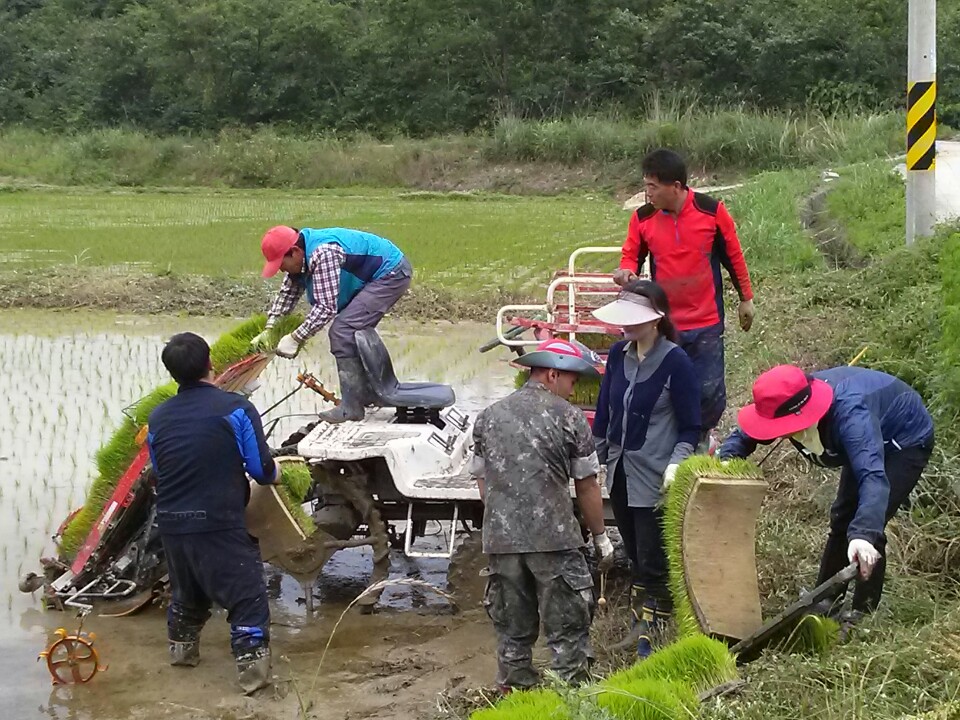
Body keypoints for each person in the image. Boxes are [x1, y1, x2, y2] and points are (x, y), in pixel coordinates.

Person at [717, 364, 934, 628]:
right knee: (842, 517)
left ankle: (862, 615)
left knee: (868, 525)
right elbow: (750, 431)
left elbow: (873, 476)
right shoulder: (785, 399)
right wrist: (727, 458)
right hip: (868, 437)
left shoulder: (852, 417)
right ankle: (825, 599)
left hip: (903, 438)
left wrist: (864, 534)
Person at [468, 338, 615, 691]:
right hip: (556, 541)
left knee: (513, 638)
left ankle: (516, 700)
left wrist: (503, 522)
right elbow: (587, 486)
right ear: (552, 374)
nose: (572, 388)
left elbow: (483, 481)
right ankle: (570, 705)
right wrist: (600, 537)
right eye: (572, 380)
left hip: (501, 544)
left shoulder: (488, 417)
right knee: (567, 637)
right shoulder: (569, 417)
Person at [147, 332, 281, 694]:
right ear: (210, 364)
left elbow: (160, 471)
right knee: (247, 596)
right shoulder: (235, 407)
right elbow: (260, 469)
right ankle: (254, 679)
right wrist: (281, 473)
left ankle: (182, 656)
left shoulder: (157, 418)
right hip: (218, 520)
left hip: (172, 523)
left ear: (173, 374)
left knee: (187, 593)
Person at [612, 149, 754, 444]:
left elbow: (733, 256)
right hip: (666, 322)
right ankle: (669, 442)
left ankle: (700, 441)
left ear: (675, 186)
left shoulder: (712, 212)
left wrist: (746, 298)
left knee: (708, 391)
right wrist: (626, 271)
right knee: (666, 386)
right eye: (645, 185)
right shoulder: (643, 218)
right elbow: (631, 255)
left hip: (707, 322)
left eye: (653, 186)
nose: (647, 193)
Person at [591, 280, 701, 657]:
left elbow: (691, 425)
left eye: (636, 319)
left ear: (656, 320)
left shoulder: (676, 363)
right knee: (634, 547)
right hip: (619, 469)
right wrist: (597, 457)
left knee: (653, 552)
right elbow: (605, 412)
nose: (627, 327)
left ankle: (654, 626)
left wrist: (676, 464)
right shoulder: (619, 353)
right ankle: (640, 616)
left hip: (655, 473)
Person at [251, 225, 413, 423]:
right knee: (350, 329)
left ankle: (352, 407)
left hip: (390, 273)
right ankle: (367, 394)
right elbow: (289, 293)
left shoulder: (323, 253)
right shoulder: (301, 257)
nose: (281, 270)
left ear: (295, 252)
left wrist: (295, 338)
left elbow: (326, 309)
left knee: (343, 330)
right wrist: (270, 328)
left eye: (281, 264)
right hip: (377, 274)